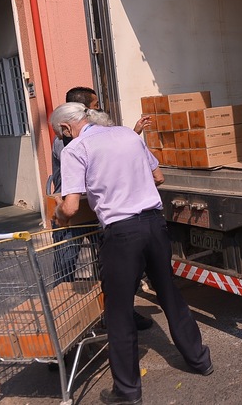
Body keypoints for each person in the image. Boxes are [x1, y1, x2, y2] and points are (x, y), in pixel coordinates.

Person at [51, 102, 212, 405]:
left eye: (60, 135)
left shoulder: (75, 150)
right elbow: (158, 177)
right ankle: (200, 360)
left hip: (122, 234)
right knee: (169, 293)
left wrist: (59, 214)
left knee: (119, 311)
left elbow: (70, 208)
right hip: (154, 224)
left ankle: (127, 391)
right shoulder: (127, 134)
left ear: (65, 128)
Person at [51, 86, 153, 331]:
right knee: (66, 267)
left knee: (110, 268)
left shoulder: (92, 136)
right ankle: (64, 325)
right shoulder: (66, 142)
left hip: (98, 208)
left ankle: (119, 313)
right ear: (83, 110)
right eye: (95, 106)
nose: (98, 110)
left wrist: (132, 134)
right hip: (73, 212)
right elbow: (94, 159)